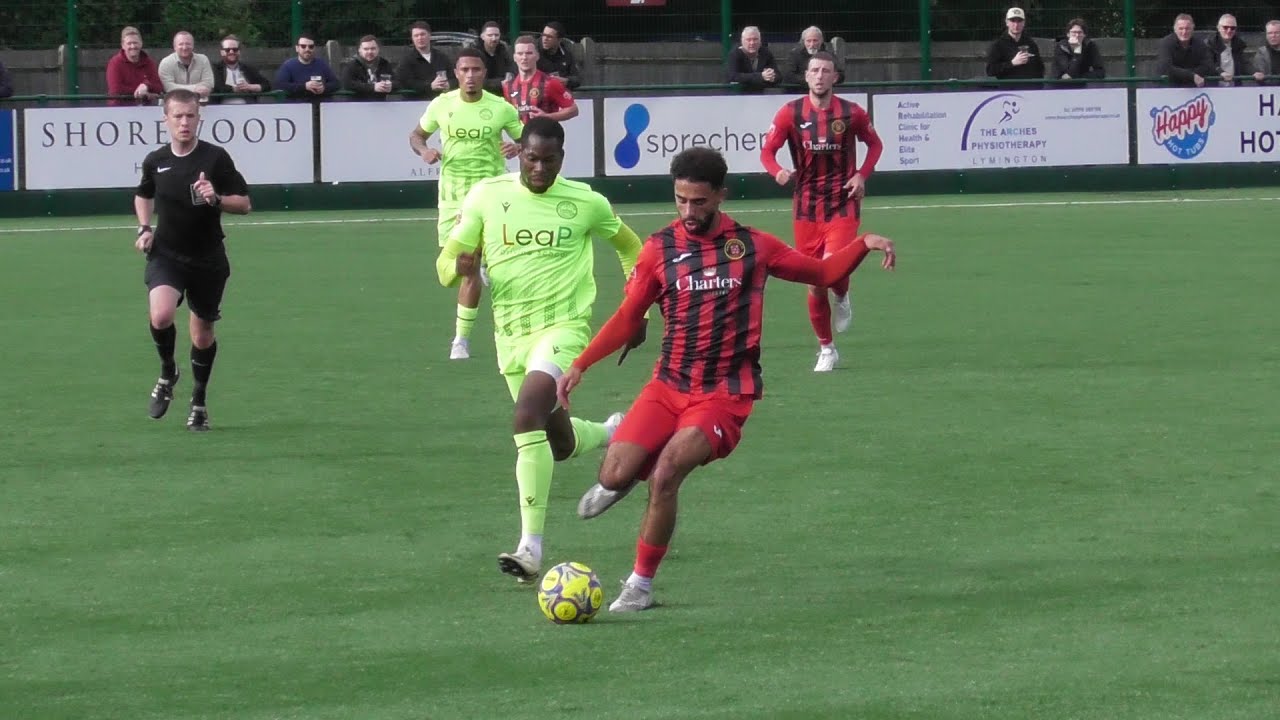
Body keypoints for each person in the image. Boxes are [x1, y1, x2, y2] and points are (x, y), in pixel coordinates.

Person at [556, 147, 897, 612]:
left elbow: (821, 271)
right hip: (668, 384)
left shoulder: (753, 246)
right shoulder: (660, 249)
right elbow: (627, 315)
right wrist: (581, 364)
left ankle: (640, 584)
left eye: (699, 201)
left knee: (669, 471)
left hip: (725, 393)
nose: (689, 212)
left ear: (720, 195)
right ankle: (628, 473)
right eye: (681, 200)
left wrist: (864, 243)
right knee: (614, 474)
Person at [436, 116, 645, 583]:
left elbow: (632, 249)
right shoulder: (487, 195)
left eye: (548, 161)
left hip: (565, 330)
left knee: (526, 417)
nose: (538, 168)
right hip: (509, 334)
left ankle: (530, 547)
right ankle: (615, 432)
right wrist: (460, 266)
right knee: (560, 443)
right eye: (531, 158)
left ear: (561, 160)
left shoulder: (586, 201)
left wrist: (639, 310)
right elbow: (446, 266)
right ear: (519, 153)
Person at [134, 89, 252, 431]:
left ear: (199, 118)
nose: (184, 122)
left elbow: (244, 204)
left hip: (207, 259)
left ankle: (198, 401)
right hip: (167, 253)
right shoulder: (156, 160)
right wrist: (144, 228)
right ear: (166, 119)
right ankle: (168, 371)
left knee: (201, 336)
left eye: (190, 116)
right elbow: (143, 194)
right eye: (178, 116)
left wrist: (215, 198)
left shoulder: (215, 159)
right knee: (161, 314)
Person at [760, 51, 883, 372]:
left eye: (825, 71)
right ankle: (827, 348)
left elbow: (876, 145)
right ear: (806, 76)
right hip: (806, 208)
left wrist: (861, 175)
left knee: (832, 268)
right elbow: (767, 151)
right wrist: (777, 172)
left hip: (842, 203)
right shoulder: (790, 114)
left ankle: (841, 296)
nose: (819, 76)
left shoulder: (852, 113)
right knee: (815, 282)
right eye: (814, 70)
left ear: (834, 77)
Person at [408, 47, 522, 360]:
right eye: (464, 70)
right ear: (456, 73)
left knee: (470, 269)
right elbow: (416, 135)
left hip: (491, 195)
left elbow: (529, 139)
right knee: (452, 270)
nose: (470, 76)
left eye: (476, 70)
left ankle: (461, 340)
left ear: (484, 74)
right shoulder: (441, 104)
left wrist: (518, 146)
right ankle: (482, 263)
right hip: (452, 197)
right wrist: (424, 151)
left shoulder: (500, 108)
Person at [504, 35, 579, 123]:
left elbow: (573, 110)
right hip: (521, 136)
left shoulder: (550, 83)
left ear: (537, 56)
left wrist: (547, 117)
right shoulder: (508, 86)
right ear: (514, 57)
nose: (524, 58)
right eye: (520, 53)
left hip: (545, 135)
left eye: (529, 53)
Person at [986, 7, 1045, 88]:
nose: (1016, 25)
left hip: (1030, 91)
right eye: (1013, 21)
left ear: (1024, 23)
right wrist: (1012, 63)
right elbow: (990, 70)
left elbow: (1040, 68)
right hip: (1008, 92)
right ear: (1007, 22)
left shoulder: (1031, 43)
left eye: (1019, 21)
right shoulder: (998, 45)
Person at [106, 26, 163, 106]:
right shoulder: (115, 63)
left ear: (141, 43)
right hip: (119, 110)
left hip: (145, 111)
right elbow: (116, 90)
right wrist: (144, 94)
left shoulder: (149, 62)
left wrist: (146, 85)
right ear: (123, 45)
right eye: (129, 43)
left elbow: (158, 86)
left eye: (135, 43)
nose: (133, 46)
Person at [395, 21, 453, 99]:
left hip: (441, 101)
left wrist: (449, 84)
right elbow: (404, 82)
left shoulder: (442, 57)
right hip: (416, 102)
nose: (420, 38)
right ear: (412, 38)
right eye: (416, 35)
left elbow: (455, 78)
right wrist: (430, 86)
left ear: (429, 35)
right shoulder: (406, 60)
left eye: (422, 34)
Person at [274, 33, 338, 100]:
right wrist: (304, 87)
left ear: (314, 48)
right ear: (297, 48)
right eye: (303, 46)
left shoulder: (322, 64)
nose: (307, 49)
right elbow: (279, 85)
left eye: (311, 46)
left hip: (321, 106)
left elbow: (336, 84)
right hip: (296, 107)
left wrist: (324, 88)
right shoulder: (288, 66)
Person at [1156, 14, 1214, 88]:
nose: (1184, 32)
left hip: (1193, 89)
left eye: (1187, 28)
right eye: (1181, 28)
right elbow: (1166, 68)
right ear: (1175, 29)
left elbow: (1208, 66)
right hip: (1168, 88)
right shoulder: (1165, 43)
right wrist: (1192, 76)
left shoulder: (1200, 44)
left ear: (1193, 28)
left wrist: (1185, 75)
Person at [210, 35, 270, 104]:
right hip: (221, 107)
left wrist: (250, 87)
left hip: (248, 107)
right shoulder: (215, 69)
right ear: (221, 52)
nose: (231, 52)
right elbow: (216, 87)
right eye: (227, 50)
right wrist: (235, 89)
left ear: (239, 51)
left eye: (235, 50)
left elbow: (266, 85)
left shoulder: (248, 68)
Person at [158, 31, 213, 100]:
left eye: (188, 44)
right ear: (174, 47)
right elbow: (168, 87)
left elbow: (208, 84)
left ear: (193, 45)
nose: (184, 47)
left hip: (199, 102)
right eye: (181, 44)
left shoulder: (203, 60)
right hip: (173, 103)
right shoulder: (166, 63)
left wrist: (179, 88)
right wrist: (195, 88)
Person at [1051, 18, 1106, 86]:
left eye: (1080, 32)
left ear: (1084, 35)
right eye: (1074, 32)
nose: (1077, 35)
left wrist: (1080, 77)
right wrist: (1077, 51)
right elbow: (1068, 71)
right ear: (1068, 34)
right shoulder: (1061, 47)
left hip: (1081, 87)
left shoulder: (1090, 45)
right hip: (1059, 87)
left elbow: (1100, 72)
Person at [727, 26, 780, 93]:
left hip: (759, 96)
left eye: (755, 39)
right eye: (748, 40)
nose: (752, 43)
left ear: (760, 41)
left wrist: (771, 77)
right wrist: (761, 76)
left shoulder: (766, 53)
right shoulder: (734, 54)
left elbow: (779, 76)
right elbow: (733, 76)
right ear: (742, 41)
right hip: (737, 96)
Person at [341, 35, 395, 100]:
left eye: (373, 48)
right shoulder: (352, 65)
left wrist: (391, 86)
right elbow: (347, 83)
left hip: (380, 105)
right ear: (359, 50)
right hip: (357, 105)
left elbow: (398, 82)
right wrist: (373, 87)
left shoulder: (384, 63)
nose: (369, 52)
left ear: (378, 49)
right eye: (366, 49)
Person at [1207, 14, 1250, 87]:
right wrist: (1221, 72)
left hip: (1234, 89)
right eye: (1225, 27)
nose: (1229, 30)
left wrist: (1255, 72)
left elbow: (1245, 63)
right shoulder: (1209, 44)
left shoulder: (1239, 45)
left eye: (1232, 28)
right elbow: (1208, 63)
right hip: (1213, 89)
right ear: (1218, 28)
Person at [536, 21, 581, 90]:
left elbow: (577, 79)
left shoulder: (566, 55)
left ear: (559, 40)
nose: (545, 39)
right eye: (543, 35)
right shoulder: (533, 52)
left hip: (560, 94)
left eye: (549, 37)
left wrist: (567, 81)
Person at [478, 21, 515, 95]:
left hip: (502, 93)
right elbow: (478, 80)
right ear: (482, 36)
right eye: (490, 35)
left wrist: (510, 75)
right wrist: (500, 83)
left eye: (496, 35)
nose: (494, 38)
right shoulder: (476, 53)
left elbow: (512, 70)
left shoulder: (504, 50)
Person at [1253, 20, 1280, 85]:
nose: (1273, 36)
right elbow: (1261, 74)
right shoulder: (1261, 52)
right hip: (1269, 91)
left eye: (1277, 33)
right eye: (1270, 33)